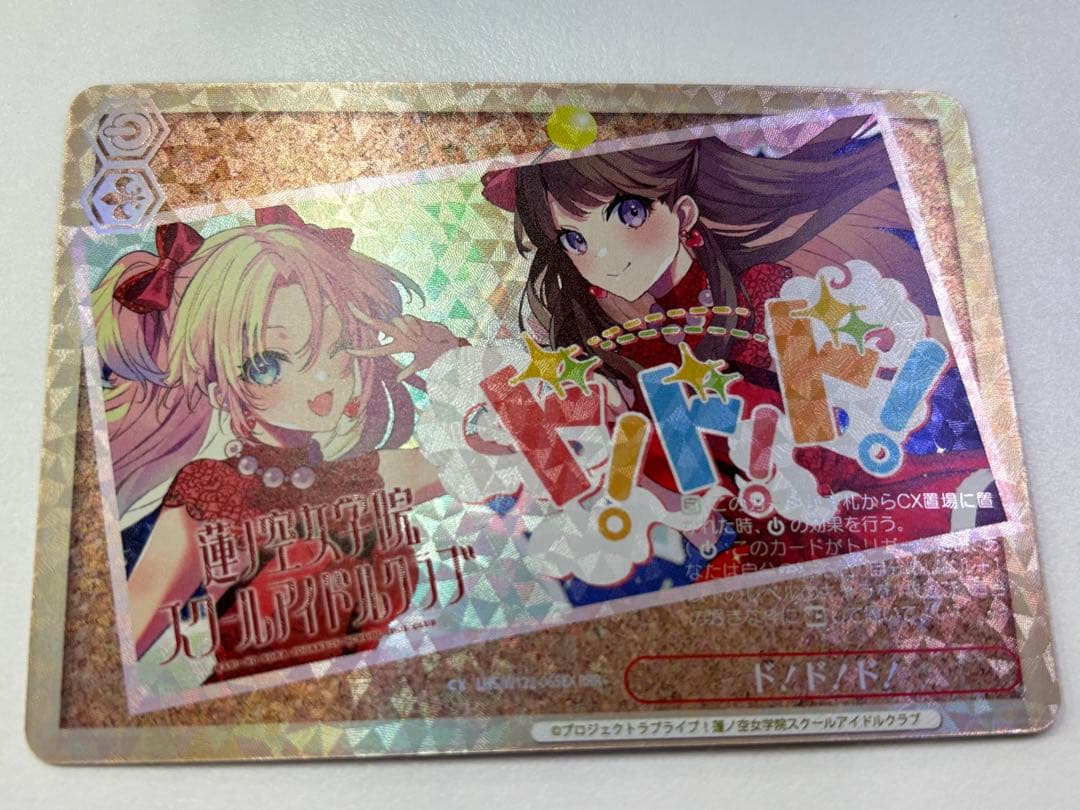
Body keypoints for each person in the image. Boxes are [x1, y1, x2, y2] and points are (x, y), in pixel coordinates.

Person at [95, 205, 462, 677]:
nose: (321, 382)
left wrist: (448, 359)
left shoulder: (369, 476)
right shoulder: (213, 493)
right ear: (219, 391)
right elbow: (121, 646)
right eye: (267, 364)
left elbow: (515, 450)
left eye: (338, 349)